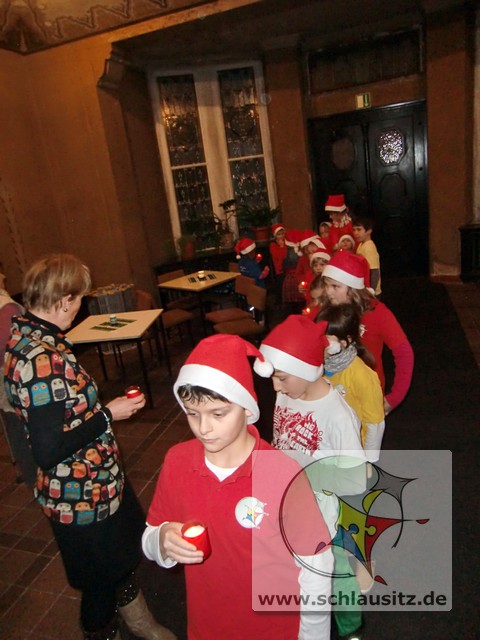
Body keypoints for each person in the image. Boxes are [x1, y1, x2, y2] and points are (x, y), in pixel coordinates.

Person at [3, 254, 175, 640]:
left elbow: (58, 413)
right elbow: (48, 450)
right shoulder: (40, 359)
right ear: (63, 300)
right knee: (99, 582)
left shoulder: (29, 336)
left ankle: (138, 618)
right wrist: (107, 414)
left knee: (123, 554)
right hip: (79, 494)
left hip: (98, 482)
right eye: (78, 299)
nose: (80, 307)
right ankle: (101, 632)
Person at [142, 334, 331, 640]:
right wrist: (161, 541)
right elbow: (152, 533)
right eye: (192, 413)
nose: (203, 428)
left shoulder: (281, 473)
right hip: (207, 627)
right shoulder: (177, 461)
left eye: (218, 414)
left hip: (273, 630)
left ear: (246, 409)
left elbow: (317, 564)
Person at [254, 315, 367, 640]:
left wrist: (309, 470)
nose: (275, 386)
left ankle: (351, 628)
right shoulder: (288, 392)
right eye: (274, 378)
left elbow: (357, 479)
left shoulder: (338, 415)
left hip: (325, 515)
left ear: (306, 370)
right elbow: (281, 439)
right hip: (286, 503)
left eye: (282, 378)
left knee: (337, 572)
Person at [321, 251, 414, 415]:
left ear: (354, 288)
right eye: (327, 285)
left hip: (364, 395)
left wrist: (395, 397)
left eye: (335, 286)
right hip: (331, 393)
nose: (328, 292)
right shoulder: (326, 310)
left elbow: (404, 353)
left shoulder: (377, 312)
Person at [317, 303, 385, 462]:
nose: (320, 344)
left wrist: (368, 462)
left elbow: (374, 424)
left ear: (345, 341)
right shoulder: (316, 366)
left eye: (326, 339)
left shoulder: (361, 375)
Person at [0, 267, 37, 486]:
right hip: (13, 383)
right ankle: (36, 481)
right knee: (22, 432)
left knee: (14, 431)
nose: (5, 276)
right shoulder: (6, 308)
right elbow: (15, 349)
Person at [352, 216, 382, 296]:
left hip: (371, 291)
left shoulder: (369, 247)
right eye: (354, 230)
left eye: (359, 229)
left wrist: (371, 291)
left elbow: (374, 271)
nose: (356, 233)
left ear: (369, 231)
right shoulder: (361, 244)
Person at [269, 223, 287, 304]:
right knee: (280, 288)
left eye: (282, 234)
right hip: (279, 271)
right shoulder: (273, 245)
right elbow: (280, 256)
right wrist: (282, 247)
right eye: (279, 234)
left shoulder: (287, 243)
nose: (281, 236)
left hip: (287, 269)